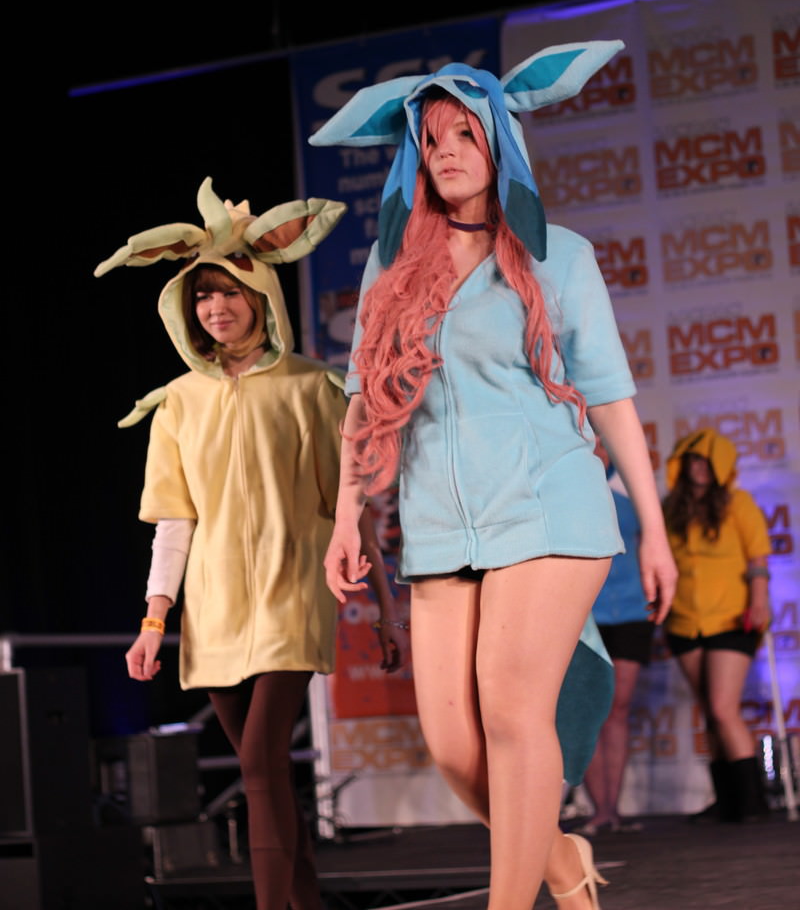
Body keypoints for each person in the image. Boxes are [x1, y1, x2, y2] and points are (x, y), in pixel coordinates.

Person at [309, 46, 677, 910]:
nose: (447, 151)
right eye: (432, 139)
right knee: (451, 745)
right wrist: (346, 518)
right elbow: (362, 400)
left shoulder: (561, 257)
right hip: (441, 524)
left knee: (512, 712)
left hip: (548, 508)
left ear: (500, 144)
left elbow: (611, 398)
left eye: (465, 135)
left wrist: (654, 531)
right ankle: (562, 862)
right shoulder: (391, 266)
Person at [96, 179, 405, 910]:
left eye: (230, 291)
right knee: (264, 775)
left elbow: (350, 509)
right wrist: (153, 620)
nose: (216, 306)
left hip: (292, 592)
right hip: (214, 610)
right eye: (203, 296)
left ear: (261, 296)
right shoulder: (178, 402)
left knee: (262, 765)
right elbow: (174, 523)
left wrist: (387, 610)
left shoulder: (311, 388)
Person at [663, 428, 772, 823]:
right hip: (684, 620)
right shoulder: (670, 508)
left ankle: (753, 803)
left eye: (708, 461)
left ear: (722, 466)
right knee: (709, 711)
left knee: (724, 708)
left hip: (731, 617)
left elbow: (758, 557)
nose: (700, 468)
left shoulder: (738, 503)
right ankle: (727, 801)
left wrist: (759, 601)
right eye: (694, 460)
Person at [579, 441, 654, 835]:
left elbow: (651, 547)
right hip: (581, 615)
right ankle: (600, 810)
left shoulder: (629, 494)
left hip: (630, 612)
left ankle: (613, 807)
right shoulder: (565, 492)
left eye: (601, 445)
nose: (597, 451)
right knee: (590, 710)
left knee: (618, 709)